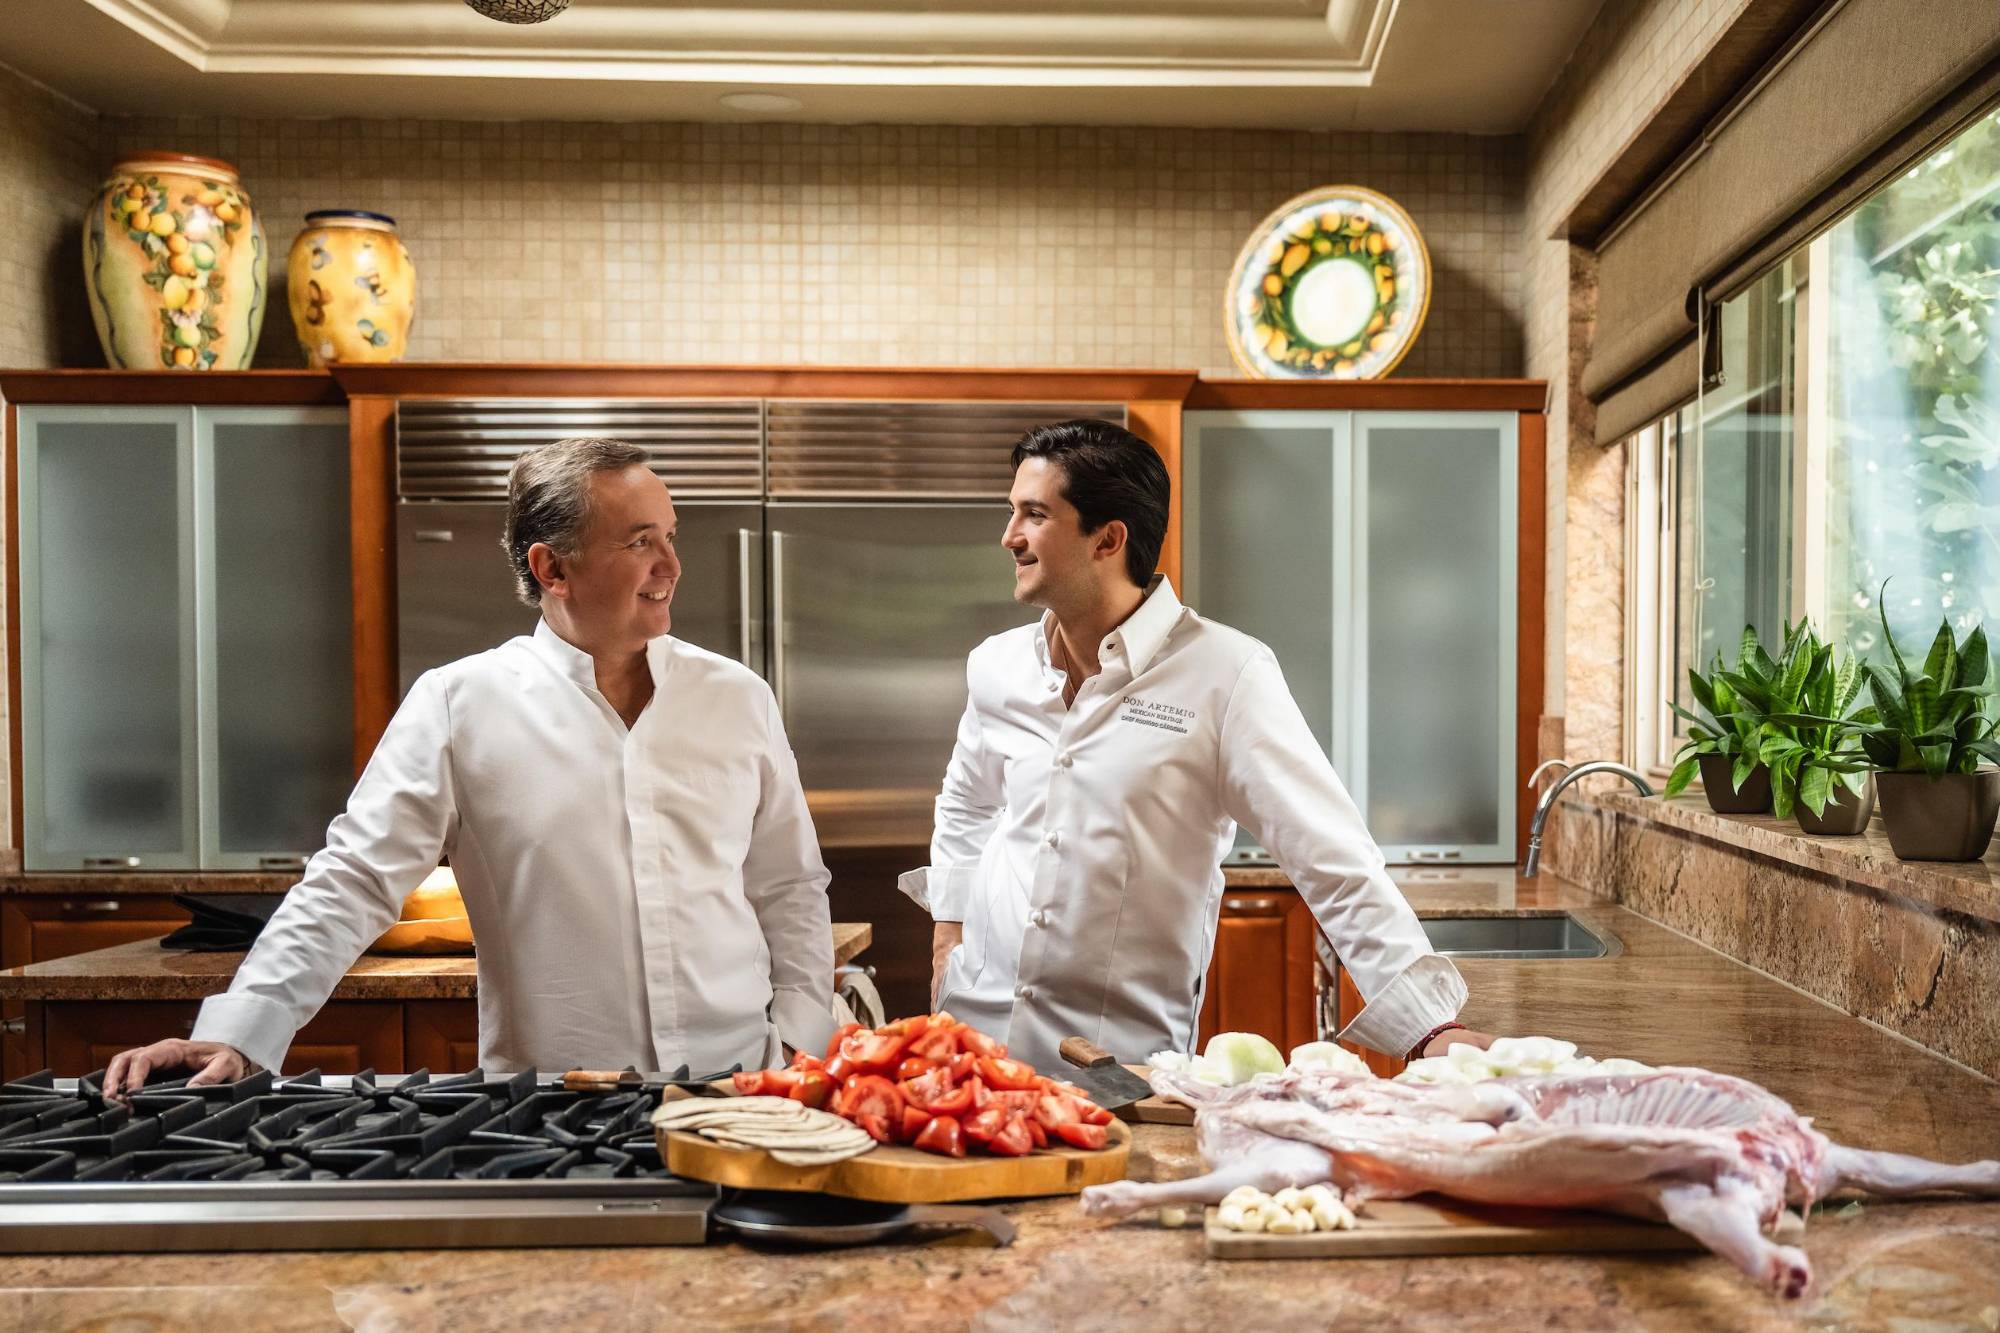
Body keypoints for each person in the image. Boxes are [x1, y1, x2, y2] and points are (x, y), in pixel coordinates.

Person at [104, 437, 833, 1096]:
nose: (671, 565)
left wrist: (804, 1042)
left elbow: (788, 886)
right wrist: (239, 1029)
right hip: (551, 1104)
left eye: (669, 537)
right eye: (640, 541)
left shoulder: (737, 698)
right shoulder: (458, 704)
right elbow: (354, 878)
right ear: (553, 568)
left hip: (743, 1089)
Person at [902, 419, 1496, 1071]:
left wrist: (1428, 1025)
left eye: (1034, 515)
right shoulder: (997, 665)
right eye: (1013, 511)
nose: (1009, 535)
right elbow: (966, 804)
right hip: (974, 1043)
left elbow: (1332, 859)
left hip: (1118, 1068)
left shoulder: (1227, 675)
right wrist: (948, 938)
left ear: (1108, 539)